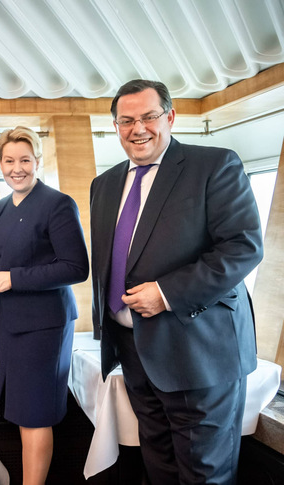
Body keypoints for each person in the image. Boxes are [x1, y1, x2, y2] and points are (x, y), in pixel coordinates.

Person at [90, 79, 263, 484]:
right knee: (159, 466)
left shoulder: (215, 165)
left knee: (204, 473)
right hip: (134, 350)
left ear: (169, 116)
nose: (138, 128)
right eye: (126, 120)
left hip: (199, 351)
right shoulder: (105, 184)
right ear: (115, 126)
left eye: (149, 117)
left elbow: (242, 247)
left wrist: (166, 294)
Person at [0, 126, 89, 484]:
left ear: (37, 161)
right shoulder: (2, 205)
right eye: (9, 160)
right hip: (11, 324)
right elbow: (2, 261)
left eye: (25, 159)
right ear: (0, 164)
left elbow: (76, 268)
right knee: (22, 412)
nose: (16, 168)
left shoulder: (57, 203)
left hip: (44, 328)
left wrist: (12, 278)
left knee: (35, 414)